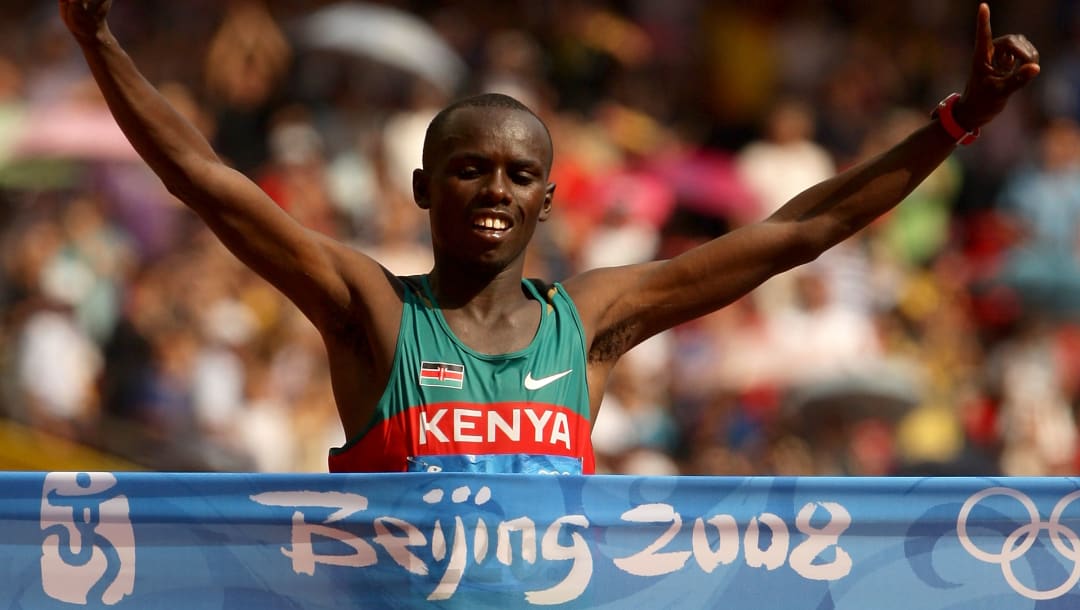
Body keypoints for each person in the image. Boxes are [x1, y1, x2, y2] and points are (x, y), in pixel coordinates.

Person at [59, 1, 1040, 474]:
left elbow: (799, 232)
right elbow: (208, 183)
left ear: (548, 199)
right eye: (469, 167)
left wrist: (957, 121)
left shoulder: (597, 321)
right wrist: (101, 45)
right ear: (418, 186)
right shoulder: (368, 311)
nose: (495, 188)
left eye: (520, 173)